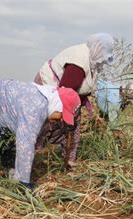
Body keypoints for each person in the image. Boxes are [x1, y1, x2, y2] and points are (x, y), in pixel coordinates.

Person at [0, 75, 80, 189]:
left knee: (6, 143)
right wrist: (24, 183)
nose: (59, 119)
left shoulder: (46, 100)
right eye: (62, 115)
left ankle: (12, 177)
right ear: (58, 104)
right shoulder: (36, 106)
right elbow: (25, 144)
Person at [33, 33, 116, 167]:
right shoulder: (78, 63)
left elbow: (79, 89)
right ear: (97, 49)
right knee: (47, 123)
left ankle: (68, 160)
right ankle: (28, 157)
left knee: (73, 125)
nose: (103, 61)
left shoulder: (91, 58)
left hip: (68, 94)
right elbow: (65, 92)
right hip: (52, 90)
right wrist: (69, 117)